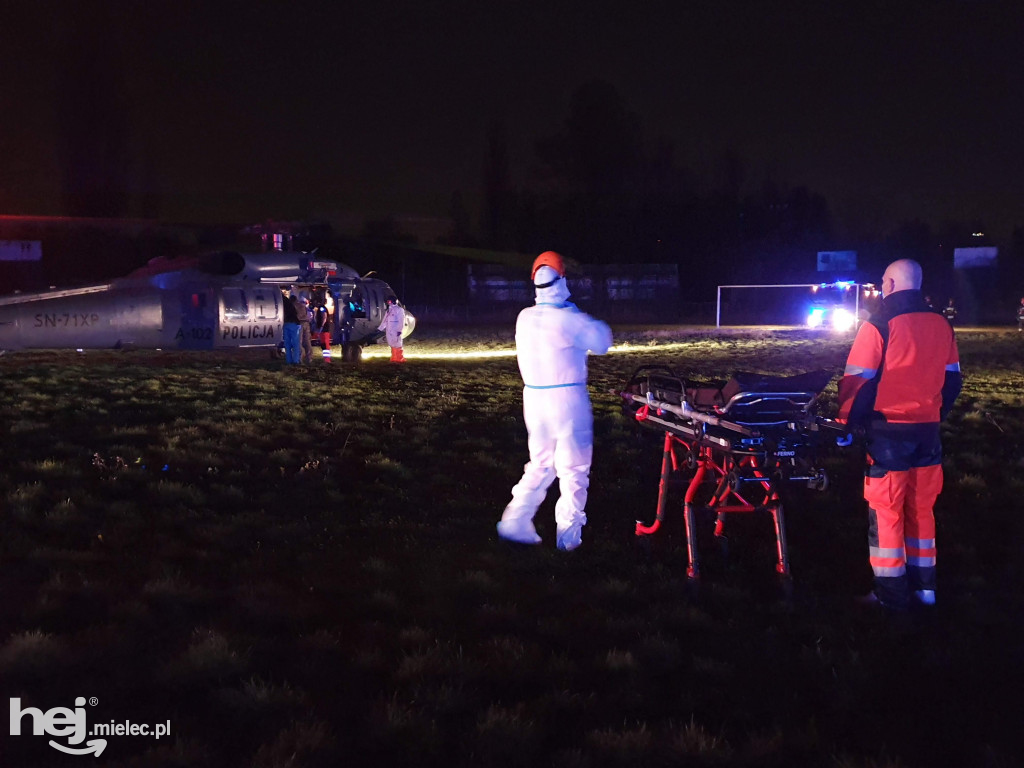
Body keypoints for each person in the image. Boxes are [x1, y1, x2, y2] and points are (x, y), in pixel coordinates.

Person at [837, 259, 961, 610]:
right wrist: (934, 413)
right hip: (928, 432)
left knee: (887, 512)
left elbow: (857, 385)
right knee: (922, 509)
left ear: (889, 284)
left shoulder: (879, 324)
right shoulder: (941, 325)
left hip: (889, 434)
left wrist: (846, 426)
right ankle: (926, 590)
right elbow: (953, 381)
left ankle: (891, 597)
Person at [497, 251, 613, 551]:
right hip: (567, 400)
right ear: (562, 280)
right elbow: (602, 342)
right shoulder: (567, 318)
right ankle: (569, 537)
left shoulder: (525, 317)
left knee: (540, 463)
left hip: (534, 399)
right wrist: (578, 313)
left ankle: (515, 519)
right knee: (574, 468)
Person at [378, 298, 406, 362]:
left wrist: (399, 330)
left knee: (397, 344)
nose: (388, 303)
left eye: (389, 301)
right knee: (391, 343)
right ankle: (394, 358)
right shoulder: (389, 310)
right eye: (387, 301)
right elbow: (385, 320)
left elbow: (401, 321)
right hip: (389, 330)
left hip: (395, 330)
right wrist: (380, 328)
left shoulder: (399, 310)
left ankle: (400, 359)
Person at [281, 292, 301, 364]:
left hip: (285, 323)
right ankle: (296, 361)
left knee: (287, 343)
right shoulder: (287, 301)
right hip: (293, 323)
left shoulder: (280, 302)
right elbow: (294, 313)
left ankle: (289, 360)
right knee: (295, 343)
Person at [298, 297, 314, 364]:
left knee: (299, 341)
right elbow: (311, 318)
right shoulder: (308, 309)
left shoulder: (297, 308)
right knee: (307, 342)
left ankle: (300, 359)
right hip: (307, 324)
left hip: (300, 324)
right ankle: (309, 359)